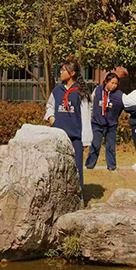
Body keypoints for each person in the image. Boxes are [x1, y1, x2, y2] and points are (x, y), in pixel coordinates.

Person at [44, 60, 91, 194]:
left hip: (75, 137)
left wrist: (85, 139)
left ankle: (77, 196)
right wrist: (51, 118)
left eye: (63, 70)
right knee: (57, 168)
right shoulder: (57, 90)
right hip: (57, 137)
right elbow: (50, 106)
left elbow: (86, 116)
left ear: (72, 73)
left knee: (76, 169)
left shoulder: (81, 92)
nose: (61, 72)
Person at [85, 72, 124, 171]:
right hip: (97, 123)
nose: (114, 85)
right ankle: (89, 165)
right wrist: (89, 118)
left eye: (116, 84)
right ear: (106, 81)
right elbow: (91, 104)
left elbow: (122, 107)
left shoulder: (119, 95)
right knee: (95, 145)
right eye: (112, 83)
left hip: (111, 125)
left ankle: (111, 166)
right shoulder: (97, 90)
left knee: (110, 146)